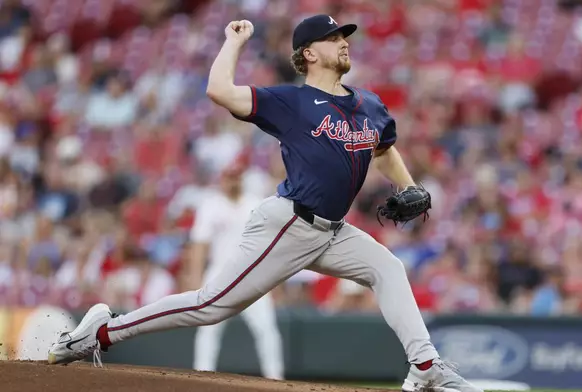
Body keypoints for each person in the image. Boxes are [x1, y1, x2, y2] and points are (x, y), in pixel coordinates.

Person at [47, 15, 482, 392]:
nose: (344, 41)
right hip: (289, 226)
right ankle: (100, 333)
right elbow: (219, 90)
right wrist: (234, 42)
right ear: (308, 54)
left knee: (388, 268)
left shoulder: (369, 103)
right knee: (209, 306)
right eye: (333, 39)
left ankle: (425, 367)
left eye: (344, 36)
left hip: (332, 231)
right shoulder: (290, 102)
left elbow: (383, 148)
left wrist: (408, 184)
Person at [189, 163, 284, 379]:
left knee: (267, 330)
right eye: (229, 177)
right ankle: (201, 377)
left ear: (241, 179)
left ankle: (276, 379)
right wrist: (195, 276)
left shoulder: (254, 203)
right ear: (222, 180)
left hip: (252, 275)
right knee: (208, 329)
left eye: (236, 177)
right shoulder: (211, 205)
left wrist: (274, 279)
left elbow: (268, 244)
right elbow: (199, 244)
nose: (233, 181)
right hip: (218, 274)